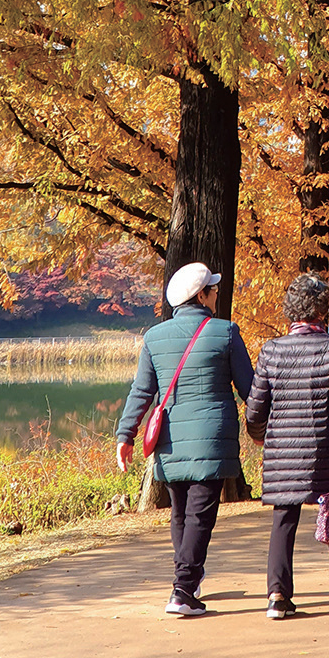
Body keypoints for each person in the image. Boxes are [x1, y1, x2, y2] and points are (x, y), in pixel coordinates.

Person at [116, 261, 253, 616]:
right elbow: (250, 389)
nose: (217, 293)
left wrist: (125, 434)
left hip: (170, 440)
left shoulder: (154, 337)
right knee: (199, 516)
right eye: (213, 288)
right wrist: (264, 426)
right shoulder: (225, 332)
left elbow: (141, 391)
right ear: (201, 295)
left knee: (181, 513)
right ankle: (183, 589)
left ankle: (186, 581)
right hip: (212, 437)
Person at [245, 272, 329, 619]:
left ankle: (277, 596)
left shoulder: (271, 349)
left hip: (282, 451)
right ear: (322, 309)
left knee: (283, 519)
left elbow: (256, 407)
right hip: (325, 449)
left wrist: (258, 434)